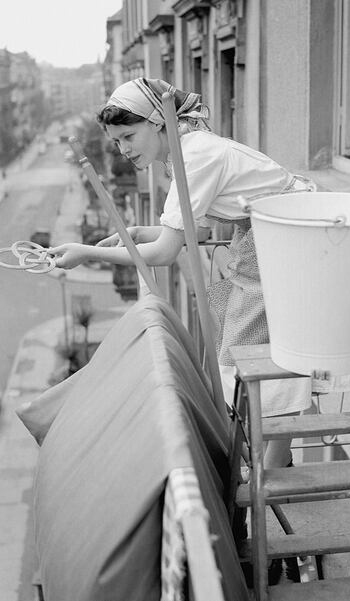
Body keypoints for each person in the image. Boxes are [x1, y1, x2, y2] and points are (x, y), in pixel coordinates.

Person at [49, 77, 313, 469]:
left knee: (253, 356)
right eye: (117, 141)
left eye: (129, 136)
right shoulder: (184, 151)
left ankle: (272, 470)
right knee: (251, 347)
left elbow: (166, 251)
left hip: (292, 237)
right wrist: (137, 233)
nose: (124, 150)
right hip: (275, 237)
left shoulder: (195, 156)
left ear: (157, 121)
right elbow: (195, 229)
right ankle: (276, 462)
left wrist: (85, 253)